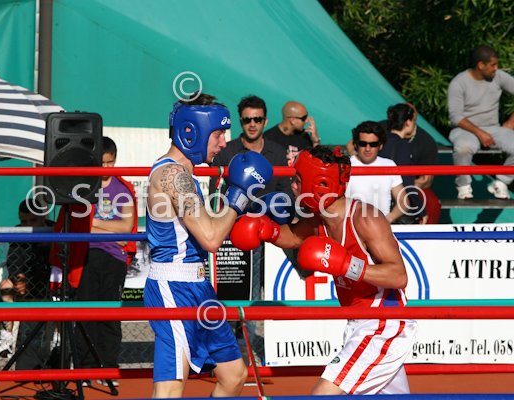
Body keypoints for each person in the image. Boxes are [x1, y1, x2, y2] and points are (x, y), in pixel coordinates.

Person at [230, 146, 417, 395]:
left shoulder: (366, 218)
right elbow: (294, 237)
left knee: (323, 394)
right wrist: (266, 230)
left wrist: (347, 265)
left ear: (318, 184)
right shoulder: (321, 219)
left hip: (383, 323)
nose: (293, 186)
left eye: (298, 180)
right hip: (359, 321)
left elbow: (398, 275)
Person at [145, 92, 273, 397]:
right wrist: (238, 198)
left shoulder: (184, 174)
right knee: (170, 389)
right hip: (174, 287)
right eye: (218, 134)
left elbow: (206, 227)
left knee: (234, 375)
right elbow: (212, 238)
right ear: (193, 131)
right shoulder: (173, 175)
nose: (223, 143)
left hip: (198, 287)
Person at [208, 94, 291, 363]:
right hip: (235, 230)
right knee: (234, 290)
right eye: (247, 120)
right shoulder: (227, 151)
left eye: (257, 119)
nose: (252, 124)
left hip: (271, 229)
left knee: (268, 289)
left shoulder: (278, 151)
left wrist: (276, 218)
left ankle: (255, 343)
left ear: (265, 121)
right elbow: (214, 193)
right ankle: (234, 345)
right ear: (241, 122)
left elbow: (285, 191)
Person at [74, 136, 136, 387]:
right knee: (85, 314)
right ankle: (85, 369)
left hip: (113, 258)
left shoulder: (123, 188)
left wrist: (95, 223)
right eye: (102, 162)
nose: (106, 167)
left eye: (110, 162)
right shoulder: (83, 187)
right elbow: (79, 225)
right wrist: (111, 230)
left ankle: (108, 367)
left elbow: (126, 228)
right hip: (87, 256)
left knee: (110, 315)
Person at [448, 45, 514, 200]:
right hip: (464, 129)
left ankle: (502, 182)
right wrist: (480, 133)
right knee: (463, 148)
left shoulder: (498, 76)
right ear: (480, 65)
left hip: (493, 129)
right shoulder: (459, 82)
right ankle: (463, 187)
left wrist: (511, 122)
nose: (496, 68)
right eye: (493, 65)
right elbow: (455, 117)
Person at [0, 200, 55, 367]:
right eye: (24, 221)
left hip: (49, 279)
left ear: (43, 216)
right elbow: (14, 261)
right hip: (25, 281)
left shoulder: (55, 230)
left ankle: (56, 337)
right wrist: (18, 279)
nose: (28, 225)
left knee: (61, 292)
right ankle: (7, 337)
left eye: (33, 220)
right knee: (5, 286)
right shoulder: (18, 232)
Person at [346, 121, 408, 223]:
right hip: (353, 226)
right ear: (356, 145)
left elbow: (403, 200)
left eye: (373, 144)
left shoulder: (389, 165)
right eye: (363, 144)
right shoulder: (345, 166)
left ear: (381, 146)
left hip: (382, 227)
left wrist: (388, 219)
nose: (367, 149)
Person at [380, 104, 427, 224]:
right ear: (408, 122)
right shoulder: (403, 145)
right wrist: (420, 210)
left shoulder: (379, 143)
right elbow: (405, 180)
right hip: (392, 206)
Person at [264, 100, 320, 166]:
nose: (306, 120)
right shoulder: (269, 138)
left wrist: (315, 141)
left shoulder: (304, 136)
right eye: (303, 118)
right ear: (292, 120)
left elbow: (316, 163)